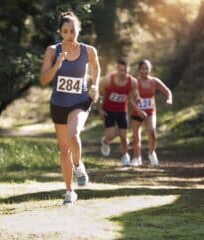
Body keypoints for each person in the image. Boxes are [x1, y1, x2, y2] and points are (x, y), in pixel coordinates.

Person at [39, 12, 100, 205]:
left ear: (78, 30)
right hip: (58, 104)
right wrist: (57, 64)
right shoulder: (52, 51)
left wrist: (95, 84)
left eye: (72, 30)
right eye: (65, 31)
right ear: (60, 32)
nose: (69, 34)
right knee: (64, 149)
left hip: (80, 102)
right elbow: (43, 80)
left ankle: (78, 165)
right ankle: (69, 192)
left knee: (74, 134)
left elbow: (96, 69)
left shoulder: (88, 50)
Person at [130, 59, 172, 167]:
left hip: (150, 112)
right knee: (136, 137)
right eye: (143, 68)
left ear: (150, 69)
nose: (145, 71)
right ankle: (137, 157)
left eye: (147, 68)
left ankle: (152, 153)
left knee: (152, 131)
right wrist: (139, 111)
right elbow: (130, 99)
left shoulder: (154, 81)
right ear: (139, 70)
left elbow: (167, 91)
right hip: (137, 113)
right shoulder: (135, 82)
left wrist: (169, 99)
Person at [98, 59, 140, 166]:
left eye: (125, 70)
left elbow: (135, 94)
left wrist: (137, 99)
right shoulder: (108, 80)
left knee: (124, 136)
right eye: (121, 70)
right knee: (111, 135)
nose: (123, 72)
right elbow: (99, 95)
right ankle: (105, 142)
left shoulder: (132, 82)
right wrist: (100, 109)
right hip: (108, 111)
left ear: (128, 70)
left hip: (121, 111)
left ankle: (125, 156)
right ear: (117, 69)